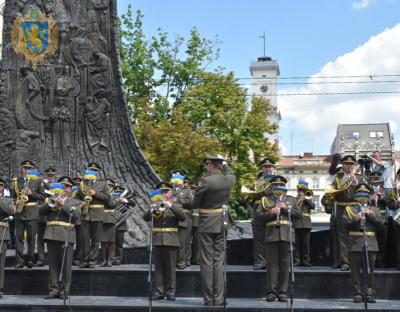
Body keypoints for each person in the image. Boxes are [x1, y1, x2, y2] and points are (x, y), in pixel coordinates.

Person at [193, 155, 235, 306]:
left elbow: (195, 203)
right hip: (221, 223)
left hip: (206, 223)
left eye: (208, 165)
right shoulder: (228, 179)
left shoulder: (206, 180)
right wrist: (225, 163)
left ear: (211, 165)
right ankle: (218, 298)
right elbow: (231, 173)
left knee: (206, 261)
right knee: (218, 262)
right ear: (220, 165)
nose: (206, 167)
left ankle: (209, 299)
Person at [255, 175, 301, 302]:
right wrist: (271, 213)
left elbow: (299, 215)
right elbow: (258, 216)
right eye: (275, 185)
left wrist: (285, 210)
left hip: (287, 235)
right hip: (271, 235)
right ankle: (271, 292)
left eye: (280, 185)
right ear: (272, 186)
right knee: (272, 265)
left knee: (285, 265)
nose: (278, 187)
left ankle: (283, 292)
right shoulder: (266, 199)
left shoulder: (291, 200)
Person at [39, 176, 81, 299]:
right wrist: (50, 202)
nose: (64, 189)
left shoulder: (75, 201)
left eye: (67, 187)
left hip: (66, 234)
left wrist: (63, 205)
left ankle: (64, 291)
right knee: (53, 265)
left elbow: (76, 216)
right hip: (51, 234)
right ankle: (53, 290)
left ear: (71, 189)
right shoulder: (51, 198)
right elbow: (41, 212)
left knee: (66, 265)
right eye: (62, 186)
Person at [143, 181, 186, 301]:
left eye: (166, 191)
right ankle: (159, 292)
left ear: (171, 193)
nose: (164, 193)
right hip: (157, 239)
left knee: (171, 268)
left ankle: (170, 292)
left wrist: (170, 206)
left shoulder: (176, 204)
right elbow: (145, 218)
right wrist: (152, 209)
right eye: (162, 191)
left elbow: (183, 217)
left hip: (171, 239)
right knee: (159, 268)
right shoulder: (155, 204)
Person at [344, 183, 383, 303]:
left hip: (371, 243)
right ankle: (357, 293)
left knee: (370, 271)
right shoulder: (349, 209)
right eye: (360, 193)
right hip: (355, 243)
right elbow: (344, 226)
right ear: (355, 196)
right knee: (355, 271)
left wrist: (370, 215)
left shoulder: (374, 209)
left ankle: (369, 293)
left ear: (368, 196)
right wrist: (355, 219)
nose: (363, 196)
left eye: (365, 194)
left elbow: (381, 225)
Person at [12, 160, 45, 268]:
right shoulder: (17, 181)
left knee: (31, 238)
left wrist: (32, 193)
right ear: (22, 169)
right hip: (19, 212)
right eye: (25, 168)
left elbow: (43, 197)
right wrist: (15, 201)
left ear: (33, 170)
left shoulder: (38, 181)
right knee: (19, 239)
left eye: (29, 168)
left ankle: (30, 259)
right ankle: (19, 261)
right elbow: (12, 196)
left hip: (32, 212)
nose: (27, 170)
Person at [77, 162, 110, 268]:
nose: (93, 172)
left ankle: (92, 260)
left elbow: (107, 198)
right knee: (84, 239)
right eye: (90, 169)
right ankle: (84, 260)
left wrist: (95, 193)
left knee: (96, 239)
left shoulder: (103, 184)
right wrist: (80, 203)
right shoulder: (83, 183)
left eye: (94, 170)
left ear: (97, 173)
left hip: (97, 214)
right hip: (85, 214)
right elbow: (76, 197)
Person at [330, 155, 359, 271]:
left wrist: (355, 181)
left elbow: (366, 192)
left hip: (355, 209)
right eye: (346, 164)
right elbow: (333, 193)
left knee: (356, 236)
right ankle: (345, 262)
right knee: (342, 237)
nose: (349, 166)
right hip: (341, 209)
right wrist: (346, 180)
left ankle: (356, 261)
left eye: (351, 164)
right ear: (343, 165)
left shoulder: (359, 178)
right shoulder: (337, 177)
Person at [250, 158, 275, 270]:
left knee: (272, 237)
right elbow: (250, 195)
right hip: (259, 211)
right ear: (262, 169)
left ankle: (271, 261)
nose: (268, 168)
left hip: (272, 209)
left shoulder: (277, 180)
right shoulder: (258, 181)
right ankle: (260, 261)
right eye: (266, 167)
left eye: (270, 166)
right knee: (259, 238)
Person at [170, 169, 193, 269]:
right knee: (174, 241)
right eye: (174, 177)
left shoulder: (188, 191)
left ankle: (182, 261)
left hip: (183, 219)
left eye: (178, 178)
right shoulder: (171, 191)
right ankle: (175, 260)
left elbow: (191, 203)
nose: (175, 180)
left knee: (183, 241)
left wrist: (178, 200)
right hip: (172, 218)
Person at [37, 167, 58, 267]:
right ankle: (41, 258)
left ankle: (52, 258)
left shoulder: (58, 185)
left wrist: (46, 184)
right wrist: (43, 184)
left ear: (54, 176)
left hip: (52, 214)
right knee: (40, 238)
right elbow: (39, 196)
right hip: (42, 213)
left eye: (52, 176)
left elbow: (53, 194)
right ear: (45, 175)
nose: (50, 177)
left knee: (52, 238)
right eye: (48, 175)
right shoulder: (40, 184)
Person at [293, 180, 315, 267]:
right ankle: (297, 260)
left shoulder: (308, 198)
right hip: (297, 223)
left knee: (306, 244)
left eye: (303, 190)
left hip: (306, 224)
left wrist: (305, 198)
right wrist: (299, 200)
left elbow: (313, 206)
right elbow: (293, 210)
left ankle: (306, 261)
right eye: (299, 190)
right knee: (297, 244)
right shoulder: (294, 200)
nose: (301, 192)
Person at [113, 184, 135, 265]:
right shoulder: (112, 198)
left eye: (120, 192)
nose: (118, 193)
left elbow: (133, 204)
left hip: (121, 225)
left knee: (119, 244)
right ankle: (111, 258)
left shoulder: (124, 199)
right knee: (111, 243)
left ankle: (118, 259)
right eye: (116, 192)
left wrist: (125, 201)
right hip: (111, 224)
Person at [0, 195, 15, 298]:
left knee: (0, 264)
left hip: (1, 233)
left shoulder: (8, 200)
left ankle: (0, 288)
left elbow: (11, 212)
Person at [100, 179, 117, 267]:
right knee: (103, 241)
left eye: (110, 187)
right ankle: (103, 260)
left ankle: (109, 260)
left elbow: (112, 205)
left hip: (111, 219)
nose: (108, 188)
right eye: (107, 186)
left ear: (112, 188)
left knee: (111, 241)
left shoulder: (115, 196)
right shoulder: (101, 195)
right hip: (102, 219)